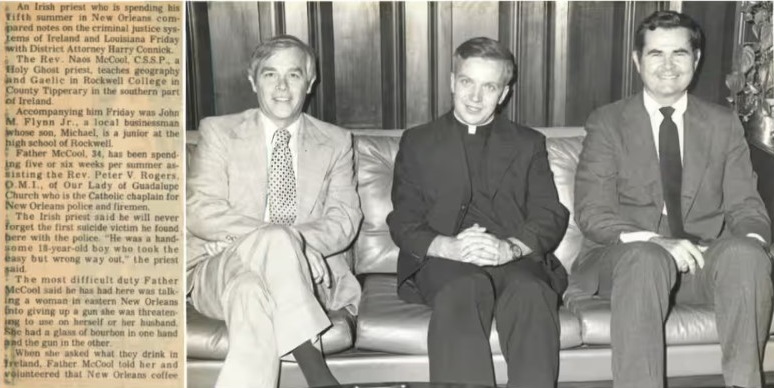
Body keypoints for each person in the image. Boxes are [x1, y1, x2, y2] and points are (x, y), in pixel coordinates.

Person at [570, 10, 773, 388]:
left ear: (695, 61)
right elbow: (593, 213)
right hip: (626, 260)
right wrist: (657, 242)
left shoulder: (722, 124)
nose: (668, 65)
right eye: (655, 54)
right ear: (636, 60)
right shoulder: (607, 122)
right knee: (648, 258)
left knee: (746, 254)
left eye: (679, 53)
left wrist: (754, 244)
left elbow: (746, 205)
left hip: (699, 260)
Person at [387, 37, 569, 387]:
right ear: (452, 81)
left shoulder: (528, 143)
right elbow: (403, 219)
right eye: (467, 82)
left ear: (503, 94)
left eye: (489, 87)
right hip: (444, 262)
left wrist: (511, 248)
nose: (474, 97)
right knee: (464, 287)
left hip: (513, 259)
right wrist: (446, 246)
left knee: (532, 293)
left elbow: (551, 213)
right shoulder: (418, 141)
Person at [186, 35, 362, 388]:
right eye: (270, 75)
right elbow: (201, 210)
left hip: (307, 278)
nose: (282, 87)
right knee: (271, 246)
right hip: (218, 266)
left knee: (251, 293)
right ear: (253, 81)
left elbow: (344, 220)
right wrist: (281, 240)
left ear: (309, 83)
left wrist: (286, 244)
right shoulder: (219, 132)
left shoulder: (336, 142)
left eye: (294, 75)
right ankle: (319, 376)